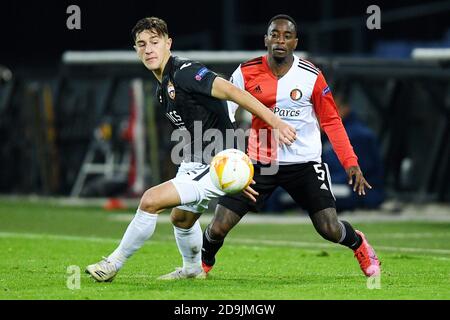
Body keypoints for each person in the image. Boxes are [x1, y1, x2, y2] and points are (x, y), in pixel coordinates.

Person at [85, 17, 296, 282]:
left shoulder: (185, 71)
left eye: (154, 42)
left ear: (168, 43)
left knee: (150, 200)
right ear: (136, 50)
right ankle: (193, 270)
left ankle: (112, 264)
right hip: (197, 160)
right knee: (182, 219)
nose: (148, 49)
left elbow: (231, 91)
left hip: (216, 162)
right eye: (141, 44)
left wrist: (274, 122)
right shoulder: (163, 89)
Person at [201, 14, 381, 278]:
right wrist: (227, 152)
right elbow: (226, 112)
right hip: (259, 164)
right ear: (266, 39)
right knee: (218, 226)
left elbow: (331, 121)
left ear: (295, 42)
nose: (280, 40)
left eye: (286, 36)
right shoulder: (245, 72)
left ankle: (359, 243)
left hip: (304, 164)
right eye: (274, 34)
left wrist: (350, 162)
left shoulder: (311, 76)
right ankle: (202, 265)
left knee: (329, 228)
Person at [322, 92, 385, 212]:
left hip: (359, 192)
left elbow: (357, 174)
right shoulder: (325, 134)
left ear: (345, 109)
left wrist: (321, 180)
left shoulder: (360, 135)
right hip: (334, 184)